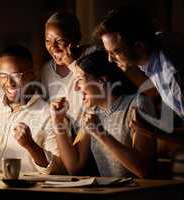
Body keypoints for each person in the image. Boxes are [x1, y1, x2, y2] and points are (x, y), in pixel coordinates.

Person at [50, 50, 156, 178]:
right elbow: (74, 167)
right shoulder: (93, 113)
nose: (76, 88)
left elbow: (143, 170)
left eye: (79, 80)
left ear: (101, 80)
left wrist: (100, 133)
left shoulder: (138, 104)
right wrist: (57, 120)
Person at [0, 45, 63, 174]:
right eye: (3, 76)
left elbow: (58, 169)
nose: (9, 82)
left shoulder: (49, 115)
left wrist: (31, 145)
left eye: (16, 75)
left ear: (32, 75)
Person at [94, 7, 184, 124]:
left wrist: (149, 131)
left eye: (115, 52)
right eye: (108, 52)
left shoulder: (171, 73)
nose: (110, 59)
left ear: (139, 46)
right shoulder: (156, 44)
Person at [41, 11, 85, 130]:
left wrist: (71, 63)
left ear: (76, 39)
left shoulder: (92, 55)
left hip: (90, 133)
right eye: (48, 41)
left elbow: (92, 87)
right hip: (63, 135)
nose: (53, 47)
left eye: (59, 40)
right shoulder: (46, 71)